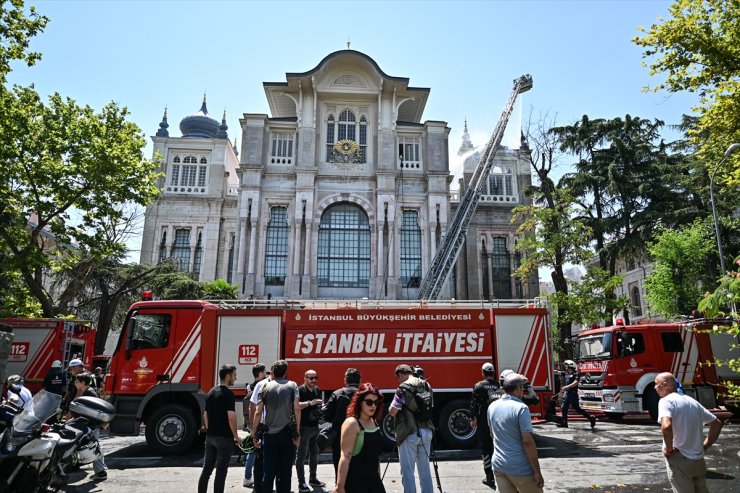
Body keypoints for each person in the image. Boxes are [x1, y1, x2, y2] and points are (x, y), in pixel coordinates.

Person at [654, 372, 724, 493]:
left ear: (665, 385)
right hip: (698, 460)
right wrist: (705, 446)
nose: (655, 387)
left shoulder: (666, 401)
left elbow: (666, 426)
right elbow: (717, 424)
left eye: (656, 384)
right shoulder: (692, 401)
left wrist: (669, 449)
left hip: (679, 458)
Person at [488, 373, 544, 493]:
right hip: (520, 468)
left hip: (499, 465)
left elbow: (492, 435)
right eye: (522, 388)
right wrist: (537, 471)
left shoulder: (492, 406)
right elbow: (527, 442)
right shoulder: (521, 408)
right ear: (518, 388)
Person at [252, 360, 300, 493]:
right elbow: (297, 409)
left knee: (268, 471)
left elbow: (258, 411)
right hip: (287, 435)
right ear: (285, 372)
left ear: (273, 372)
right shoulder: (292, 386)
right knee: (285, 471)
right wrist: (297, 432)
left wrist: (254, 433)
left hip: (269, 436)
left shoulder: (265, 387)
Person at [388, 364, 434, 493]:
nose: (398, 381)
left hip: (410, 432)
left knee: (407, 472)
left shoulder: (403, 388)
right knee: (425, 469)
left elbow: (393, 411)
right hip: (427, 431)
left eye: (398, 378)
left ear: (401, 375)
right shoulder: (426, 385)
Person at [333, 383, 386, 493]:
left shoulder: (374, 421)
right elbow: (345, 456)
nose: (373, 406)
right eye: (369, 402)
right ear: (359, 402)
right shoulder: (352, 423)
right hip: (355, 483)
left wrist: (378, 478)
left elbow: (375, 457)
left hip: (374, 482)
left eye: (376, 402)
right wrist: (340, 486)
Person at [198, 364, 240, 493]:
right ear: (228, 376)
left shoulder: (211, 392)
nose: (236, 378)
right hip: (225, 438)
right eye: (234, 375)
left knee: (207, 469)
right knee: (221, 473)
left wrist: (211, 430)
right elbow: (231, 417)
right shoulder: (229, 395)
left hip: (211, 437)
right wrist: (236, 436)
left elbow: (205, 414)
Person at [69, 372, 109, 481]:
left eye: (77, 381)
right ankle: (100, 471)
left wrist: (102, 423)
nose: (75, 383)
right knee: (93, 446)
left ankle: (101, 472)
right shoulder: (86, 391)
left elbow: (96, 410)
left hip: (92, 425)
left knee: (94, 447)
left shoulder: (90, 393)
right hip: (90, 424)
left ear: (82, 382)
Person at [323, 368, 361, 479]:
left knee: (340, 469)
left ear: (345, 380)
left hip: (339, 437)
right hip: (359, 436)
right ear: (359, 380)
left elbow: (327, 416)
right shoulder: (363, 395)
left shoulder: (337, 394)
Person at [469, 362, 500, 489]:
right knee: (497, 448)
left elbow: (473, 404)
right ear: (493, 373)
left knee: (486, 449)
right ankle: (499, 476)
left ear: (483, 372)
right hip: (497, 421)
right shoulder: (499, 385)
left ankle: (489, 477)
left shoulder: (478, 386)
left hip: (483, 422)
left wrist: (472, 418)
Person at [296, 369, 325, 493]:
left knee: (314, 453)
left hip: (315, 426)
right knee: (301, 456)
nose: (313, 380)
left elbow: (317, 406)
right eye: (310, 378)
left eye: (315, 378)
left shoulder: (317, 390)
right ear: (305, 378)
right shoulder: (300, 390)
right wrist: (310, 403)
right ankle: (301, 482)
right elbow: (296, 406)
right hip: (304, 427)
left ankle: (313, 478)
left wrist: (321, 409)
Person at [244, 363, 267, 488]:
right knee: (256, 453)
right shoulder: (261, 385)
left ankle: (247, 478)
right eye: (264, 372)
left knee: (252, 452)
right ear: (260, 373)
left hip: (251, 422)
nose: (266, 374)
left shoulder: (249, 386)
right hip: (258, 423)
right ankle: (259, 480)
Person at [558, 360, 595, 429]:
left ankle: (591, 418)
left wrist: (567, 386)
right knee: (564, 408)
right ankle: (564, 423)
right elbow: (558, 372)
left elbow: (576, 383)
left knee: (577, 409)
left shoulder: (576, 374)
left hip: (573, 394)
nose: (565, 367)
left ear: (570, 366)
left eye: (566, 365)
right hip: (567, 394)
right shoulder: (566, 373)